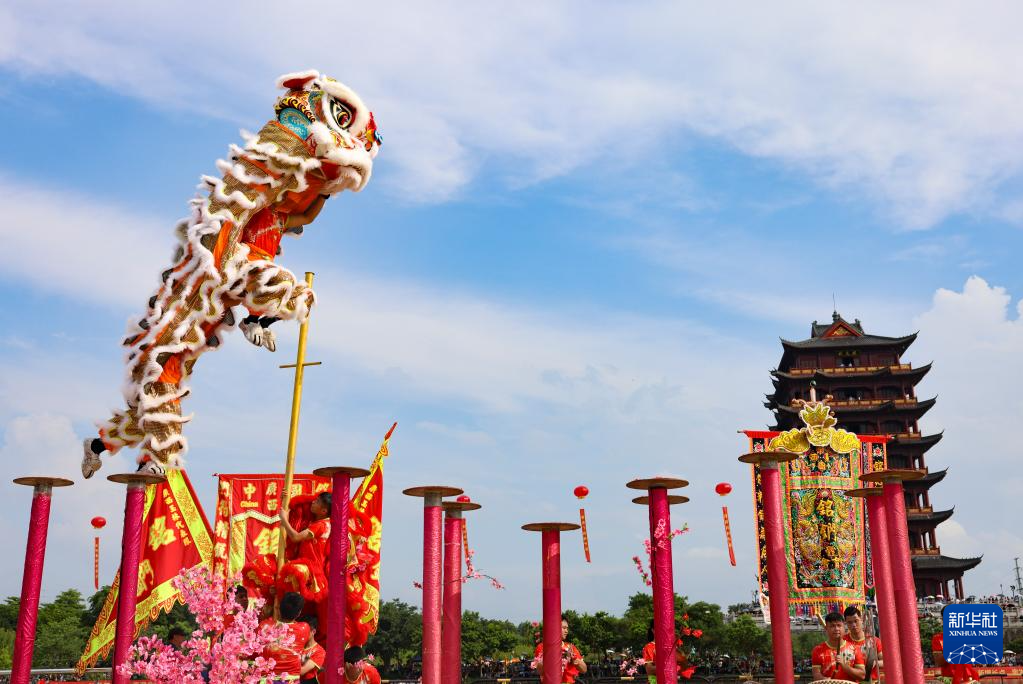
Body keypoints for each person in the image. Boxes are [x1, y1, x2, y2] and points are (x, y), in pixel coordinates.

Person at [261, 592, 317, 683]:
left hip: (267, 680)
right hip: (291, 680)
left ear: (279, 608)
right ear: (299, 613)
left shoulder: (264, 626)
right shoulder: (304, 628)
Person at [811, 611, 864, 681]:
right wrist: (825, 680)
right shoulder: (818, 650)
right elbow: (816, 674)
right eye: (832, 626)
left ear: (844, 627)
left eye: (839, 625)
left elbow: (862, 676)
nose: (836, 629)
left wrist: (844, 666)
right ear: (826, 628)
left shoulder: (855, 649)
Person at [534, 616, 587, 683]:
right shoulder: (541, 647)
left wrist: (575, 660)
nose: (566, 631)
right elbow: (540, 671)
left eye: (567, 628)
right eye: (564, 628)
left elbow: (584, 670)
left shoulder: (570, 647)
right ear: (554, 628)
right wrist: (550, 656)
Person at [843, 605, 882, 681]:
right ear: (846, 623)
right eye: (850, 622)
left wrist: (874, 663)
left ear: (861, 619)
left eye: (856, 621)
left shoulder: (874, 641)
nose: (854, 625)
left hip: (872, 681)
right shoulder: (843, 641)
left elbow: (885, 661)